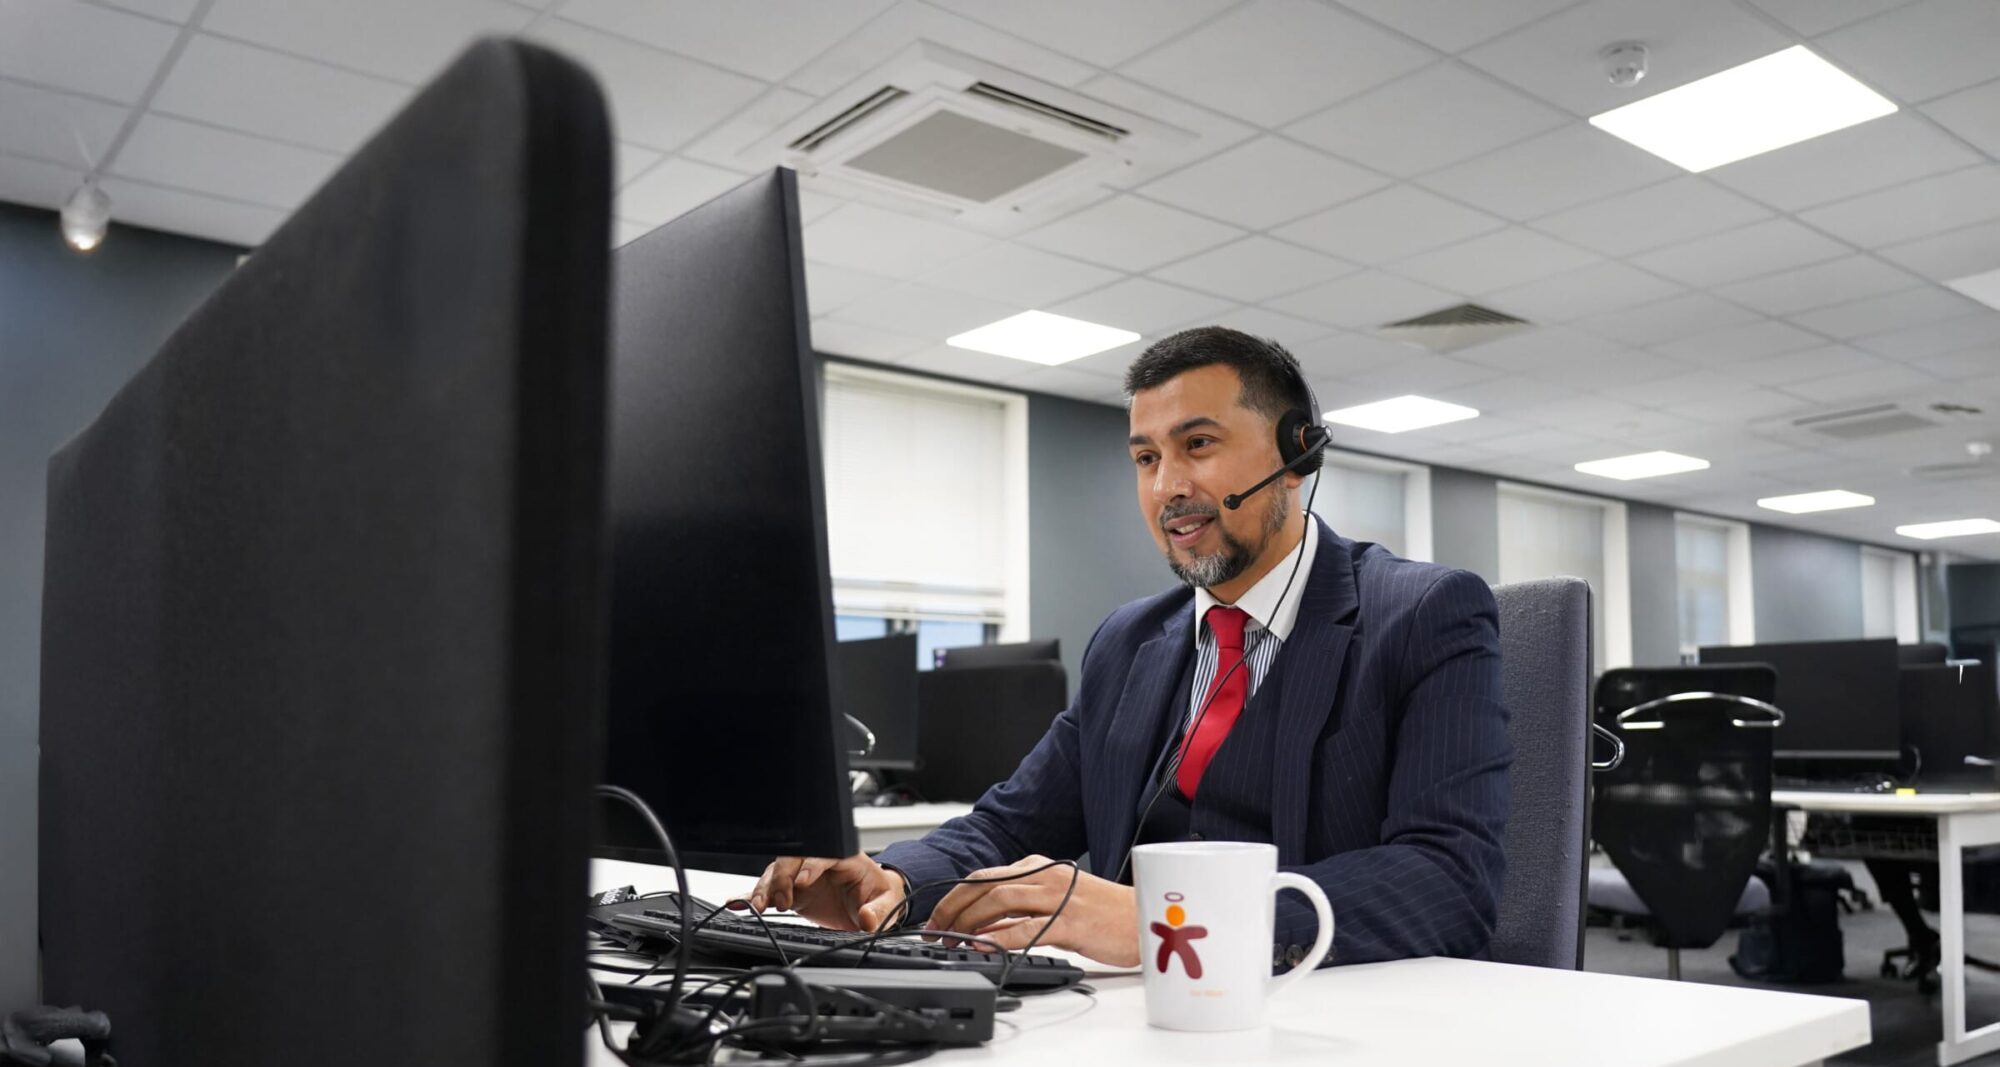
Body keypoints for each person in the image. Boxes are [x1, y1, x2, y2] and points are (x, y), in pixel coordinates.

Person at [734, 327, 1511, 968]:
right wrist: (893, 881)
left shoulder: (1422, 613)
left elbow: (1450, 880)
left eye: (1197, 443)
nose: (1166, 485)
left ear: (1296, 456)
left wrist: (1168, 918)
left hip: (1321, 1017)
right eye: (1145, 458)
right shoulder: (1130, 641)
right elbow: (1009, 825)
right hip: (1129, 1017)